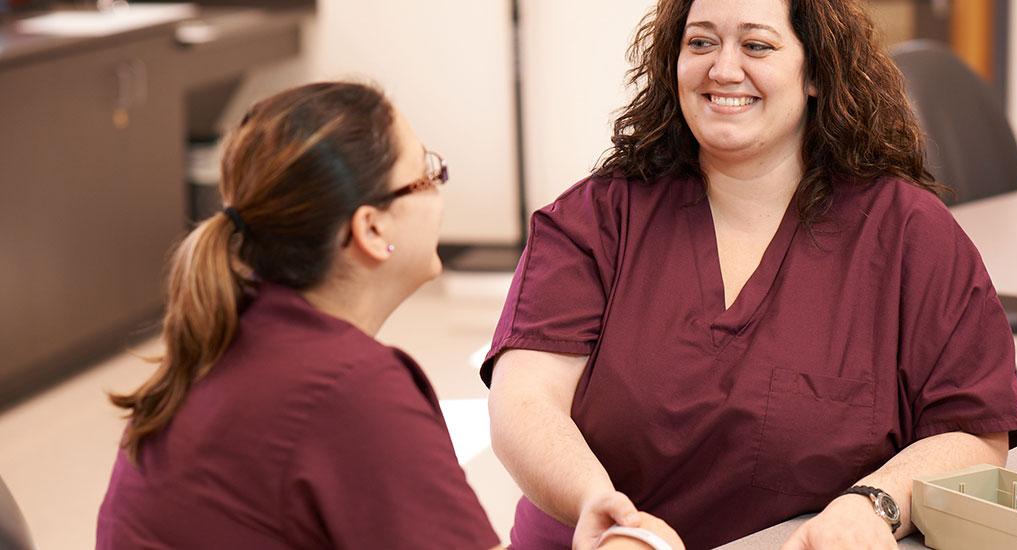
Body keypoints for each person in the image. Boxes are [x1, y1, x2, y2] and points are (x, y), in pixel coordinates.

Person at [482, 0, 1017, 549]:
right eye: (700, 43)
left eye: (757, 45)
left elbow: (973, 429)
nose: (722, 69)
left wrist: (874, 504)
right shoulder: (597, 219)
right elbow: (524, 400)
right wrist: (596, 506)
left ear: (816, 71)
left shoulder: (907, 233)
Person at [95, 82, 682, 550]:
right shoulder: (347, 390)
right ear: (372, 230)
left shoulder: (233, 333)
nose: (439, 190)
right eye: (426, 173)